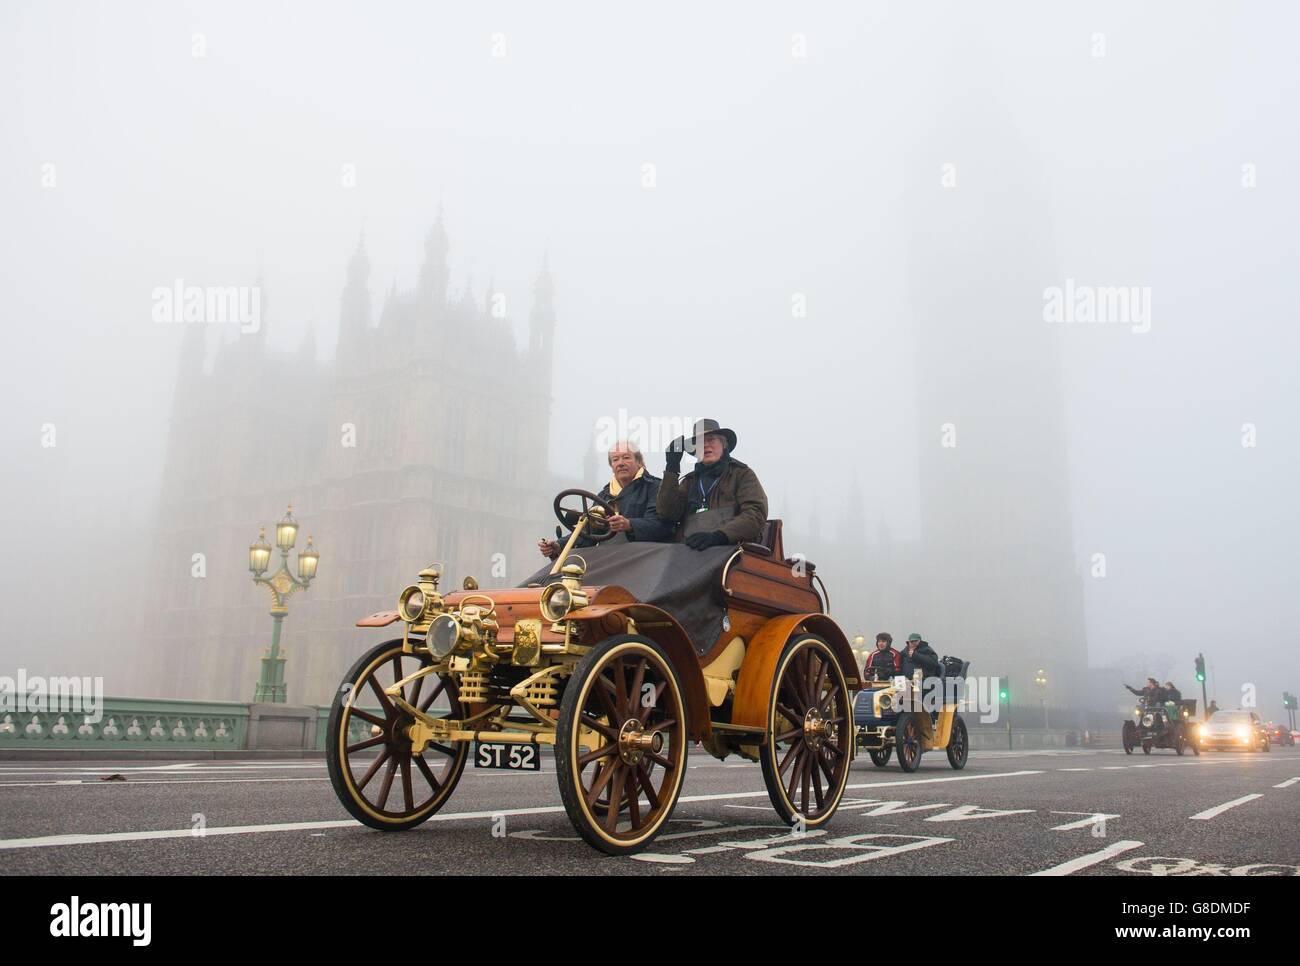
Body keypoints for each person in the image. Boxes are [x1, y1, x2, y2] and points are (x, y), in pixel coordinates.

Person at [538, 441, 674, 559]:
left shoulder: (655, 487)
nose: (620, 463)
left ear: (639, 462)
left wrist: (629, 524)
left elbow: (661, 526)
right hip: (607, 559)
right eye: (615, 460)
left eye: (626, 458)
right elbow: (588, 531)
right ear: (612, 466)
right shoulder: (604, 495)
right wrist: (559, 545)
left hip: (642, 558)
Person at [657, 418, 768, 551]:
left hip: (730, 552)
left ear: (724, 444)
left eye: (711, 440)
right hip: (688, 552)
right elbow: (667, 514)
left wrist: (719, 536)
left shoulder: (743, 474)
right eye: (700, 443)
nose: (705, 445)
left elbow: (755, 515)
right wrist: (671, 468)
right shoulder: (689, 481)